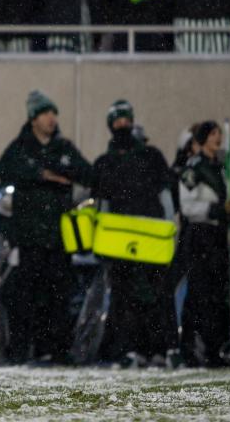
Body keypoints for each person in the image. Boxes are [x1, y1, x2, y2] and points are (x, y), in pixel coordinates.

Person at [0, 90, 93, 364]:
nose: (52, 119)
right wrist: (42, 175)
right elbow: (4, 169)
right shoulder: (20, 147)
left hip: (58, 237)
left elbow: (87, 173)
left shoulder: (64, 148)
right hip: (29, 238)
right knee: (25, 299)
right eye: (46, 113)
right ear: (34, 118)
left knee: (58, 299)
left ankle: (57, 351)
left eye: (54, 114)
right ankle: (20, 352)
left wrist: (59, 172)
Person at [92, 101, 178, 367]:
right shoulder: (105, 162)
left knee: (154, 294)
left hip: (150, 238)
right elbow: (103, 203)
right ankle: (130, 348)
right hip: (120, 240)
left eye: (125, 119)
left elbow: (165, 197)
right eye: (117, 121)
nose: (122, 125)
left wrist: (169, 230)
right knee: (124, 296)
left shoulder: (151, 156)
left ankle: (158, 349)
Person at [178, 121, 230, 366]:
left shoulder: (223, 167)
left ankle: (214, 349)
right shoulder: (194, 168)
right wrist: (217, 209)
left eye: (219, 134)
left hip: (218, 236)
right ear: (202, 139)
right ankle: (190, 348)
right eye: (213, 134)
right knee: (199, 294)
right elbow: (188, 206)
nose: (218, 139)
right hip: (200, 235)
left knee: (217, 294)